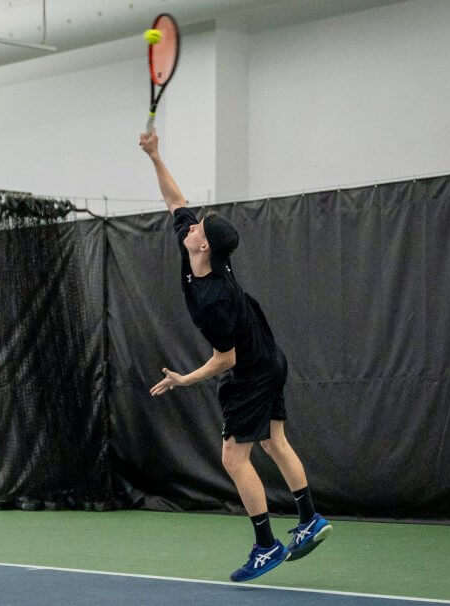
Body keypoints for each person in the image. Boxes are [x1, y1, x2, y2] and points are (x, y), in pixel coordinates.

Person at [140, 128, 331, 582]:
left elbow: (225, 360)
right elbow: (174, 200)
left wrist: (185, 379)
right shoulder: (198, 248)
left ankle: (266, 546)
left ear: (204, 245)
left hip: (251, 369)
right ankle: (309, 519)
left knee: (234, 457)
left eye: (198, 228)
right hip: (270, 355)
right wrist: (155, 155)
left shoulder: (213, 301)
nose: (189, 227)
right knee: (274, 441)